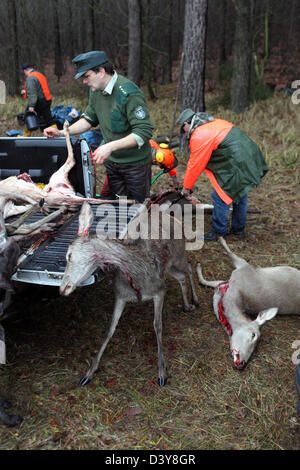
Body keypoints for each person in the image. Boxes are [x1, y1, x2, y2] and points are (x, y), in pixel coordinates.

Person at [44, 51, 154, 203]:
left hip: (135, 166)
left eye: (86, 76)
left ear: (101, 72)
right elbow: (89, 120)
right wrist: (62, 133)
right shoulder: (96, 91)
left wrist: (109, 147)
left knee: (137, 208)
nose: (84, 81)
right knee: (119, 206)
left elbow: (143, 132)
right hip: (113, 163)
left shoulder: (128, 93)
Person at [178, 109, 269, 241]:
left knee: (220, 195)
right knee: (239, 192)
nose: (184, 132)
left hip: (238, 161)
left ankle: (218, 232)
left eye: (183, 129)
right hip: (248, 155)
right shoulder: (214, 122)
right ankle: (238, 230)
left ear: (187, 123)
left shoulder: (199, 134)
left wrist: (186, 188)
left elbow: (195, 164)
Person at [21, 62, 54, 132]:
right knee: (48, 119)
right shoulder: (39, 75)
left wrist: (31, 106)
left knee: (28, 116)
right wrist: (26, 91)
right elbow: (39, 88)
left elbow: (32, 93)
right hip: (47, 100)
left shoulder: (30, 78)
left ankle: (26, 136)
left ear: (25, 70)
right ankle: (56, 132)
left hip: (39, 101)